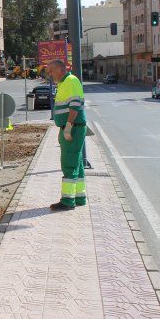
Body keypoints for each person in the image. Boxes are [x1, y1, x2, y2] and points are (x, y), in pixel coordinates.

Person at [46, 59, 87, 211]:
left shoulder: (71, 81)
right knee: (77, 163)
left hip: (73, 127)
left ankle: (68, 201)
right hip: (73, 127)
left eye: (51, 70)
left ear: (60, 69)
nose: (49, 74)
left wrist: (68, 126)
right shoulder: (65, 83)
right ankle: (79, 197)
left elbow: (75, 105)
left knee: (69, 162)